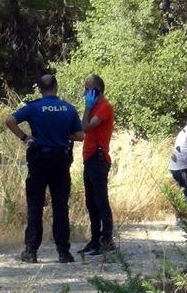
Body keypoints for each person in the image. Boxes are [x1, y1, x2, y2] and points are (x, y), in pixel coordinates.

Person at [5, 74, 83, 264]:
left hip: (39, 160)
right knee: (60, 206)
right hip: (60, 161)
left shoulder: (34, 107)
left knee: (35, 206)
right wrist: (64, 135)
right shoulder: (69, 108)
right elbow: (80, 136)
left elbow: (9, 120)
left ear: (40, 89)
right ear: (56, 87)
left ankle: (31, 251)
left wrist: (25, 138)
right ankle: (64, 252)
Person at [77, 74, 116, 256]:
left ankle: (106, 240)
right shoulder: (93, 108)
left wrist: (87, 108)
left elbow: (86, 127)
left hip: (98, 159)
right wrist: (88, 108)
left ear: (96, 90)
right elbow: (83, 127)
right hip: (89, 158)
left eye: (87, 88)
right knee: (91, 201)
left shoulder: (104, 107)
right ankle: (94, 239)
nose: (85, 92)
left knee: (100, 201)